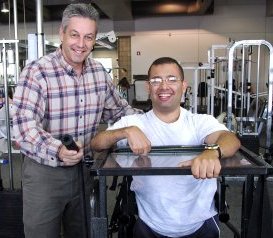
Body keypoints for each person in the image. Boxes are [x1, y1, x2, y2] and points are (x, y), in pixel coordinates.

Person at [12, 3, 141, 238]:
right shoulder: (38, 71)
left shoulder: (98, 73)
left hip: (85, 172)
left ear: (94, 39)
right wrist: (58, 149)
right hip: (45, 173)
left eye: (88, 37)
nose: (81, 44)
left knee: (82, 233)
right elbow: (22, 127)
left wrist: (160, 119)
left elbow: (119, 113)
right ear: (62, 33)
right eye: (74, 35)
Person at [91, 57, 241, 238]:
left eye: (172, 79)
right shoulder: (133, 122)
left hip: (201, 225)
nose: (163, 86)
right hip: (148, 226)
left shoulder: (200, 122)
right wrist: (125, 132)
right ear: (148, 87)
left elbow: (230, 140)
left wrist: (212, 151)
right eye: (156, 81)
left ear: (183, 85)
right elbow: (97, 143)